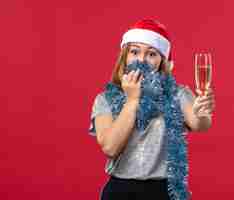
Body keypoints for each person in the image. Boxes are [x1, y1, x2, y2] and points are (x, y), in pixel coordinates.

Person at [88, 19, 215, 200]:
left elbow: (199, 125)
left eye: (151, 54)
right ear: (125, 56)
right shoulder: (105, 99)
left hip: (165, 191)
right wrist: (132, 100)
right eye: (134, 52)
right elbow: (110, 147)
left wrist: (202, 111)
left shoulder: (177, 93)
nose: (141, 60)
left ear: (161, 61)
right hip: (121, 191)